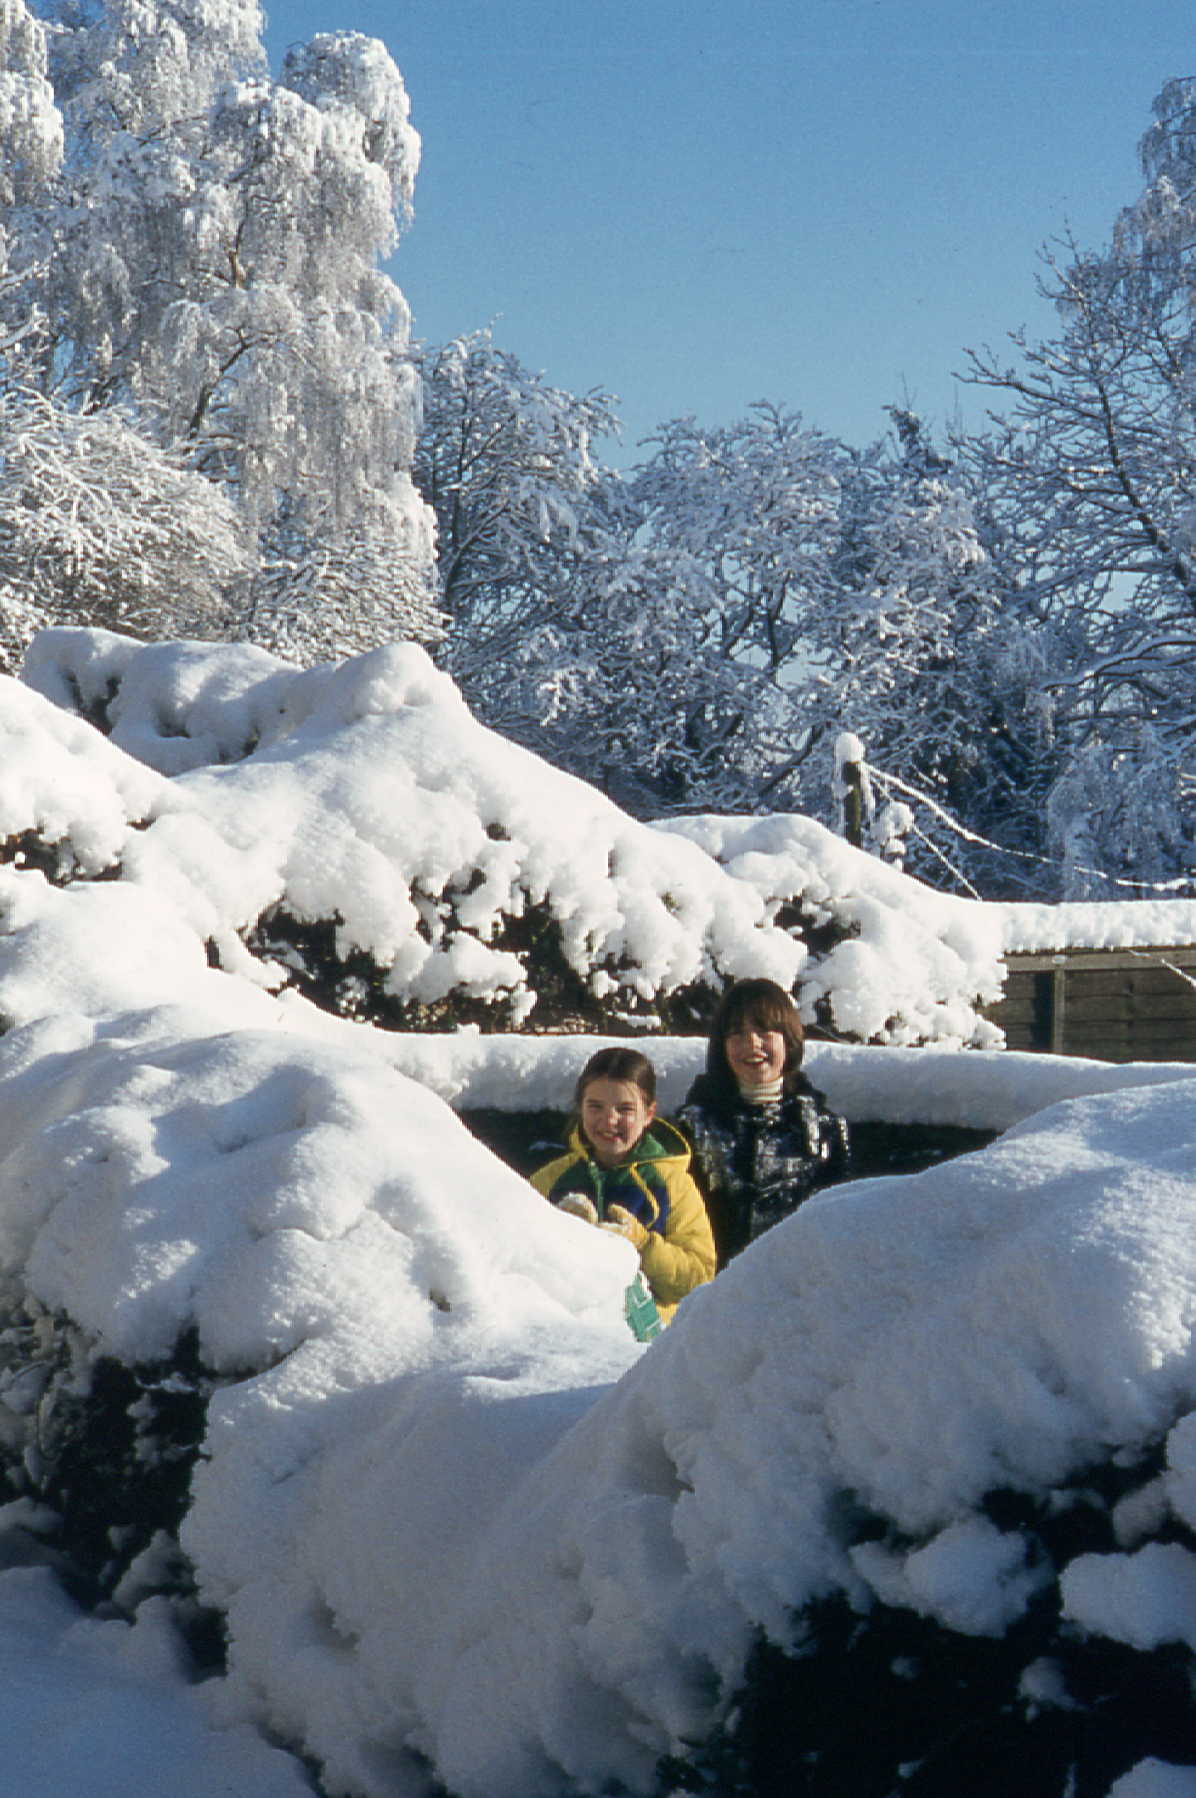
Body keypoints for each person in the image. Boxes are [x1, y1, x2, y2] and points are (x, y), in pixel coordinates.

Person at [531, 1045, 716, 1329]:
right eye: (595, 1107)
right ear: (580, 1107)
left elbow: (698, 1280)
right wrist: (563, 1234)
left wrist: (643, 1244)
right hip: (568, 1331)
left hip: (649, 1337)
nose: (609, 1121)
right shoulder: (551, 1180)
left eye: (625, 1109)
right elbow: (518, 1258)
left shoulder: (672, 1184)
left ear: (649, 1113)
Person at [677, 977, 850, 1268]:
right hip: (718, 1282)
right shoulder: (694, 1127)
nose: (752, 1044)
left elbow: (839, 1224)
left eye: (764, 1031)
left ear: (788, 1040)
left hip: (800, 1280)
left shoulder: (822, 1130)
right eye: (737, 1034)